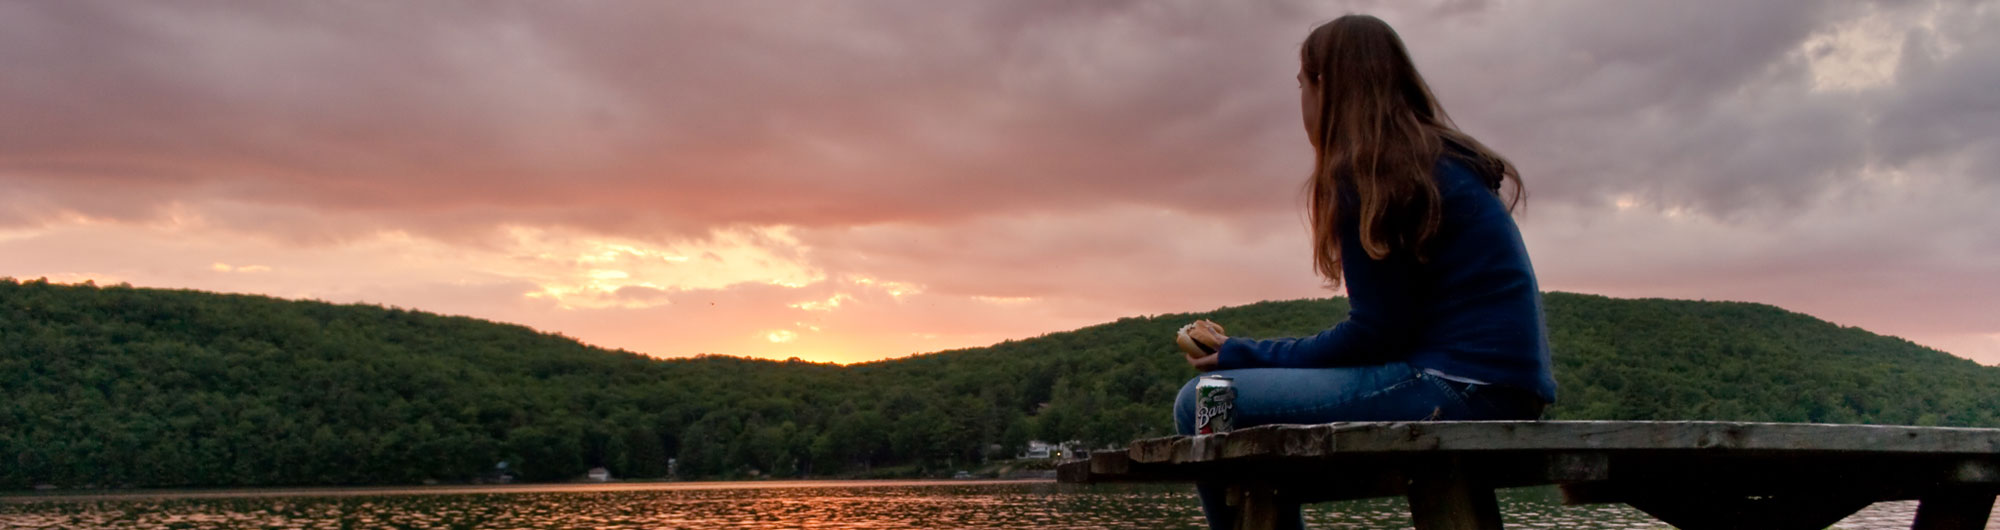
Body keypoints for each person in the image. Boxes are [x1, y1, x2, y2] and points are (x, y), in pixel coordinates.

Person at [1170, 14, 1556, 529]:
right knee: (1216, 400)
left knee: (1203, 400)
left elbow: (1374, 337)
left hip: (1455, 387)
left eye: (1302, 85)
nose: (1301, 102)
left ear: (1324, 86)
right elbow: (1391, 333)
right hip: (1508, 389)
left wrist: (1244, 353)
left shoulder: (1375, 171)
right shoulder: (1434, 160)